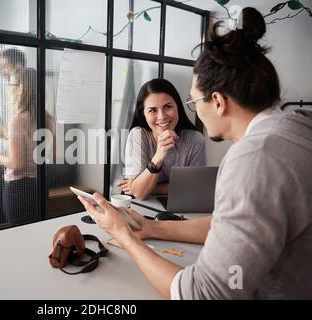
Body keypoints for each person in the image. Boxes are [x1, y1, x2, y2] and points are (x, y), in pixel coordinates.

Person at [78, 7, 312, 299]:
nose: (193, 108)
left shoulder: (255, 160)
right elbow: (227, 225)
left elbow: (202, 294)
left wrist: (122, 235)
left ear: (217, 101)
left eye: (192, 100)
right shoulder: (298, 129)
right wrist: (149, 228)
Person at [118, 78, 205, 200]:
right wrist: (158, 157)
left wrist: (151, 188)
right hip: (144, 207)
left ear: (178, 108)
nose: (162, 116)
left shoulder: (195, 140)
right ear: (143, 114)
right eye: (152, 110)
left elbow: (194, 187)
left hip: (180, 207)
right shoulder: (138, 135)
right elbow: (139, 193)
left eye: (168, 107)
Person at [0, 68, 39, 226]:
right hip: (39, 185)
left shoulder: (17, 120)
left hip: (19, 189)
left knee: (20, 237)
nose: (8, 89)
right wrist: (5, 133)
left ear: (21, 88)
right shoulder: (45, 117)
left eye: (10, 84)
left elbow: (17, 164)